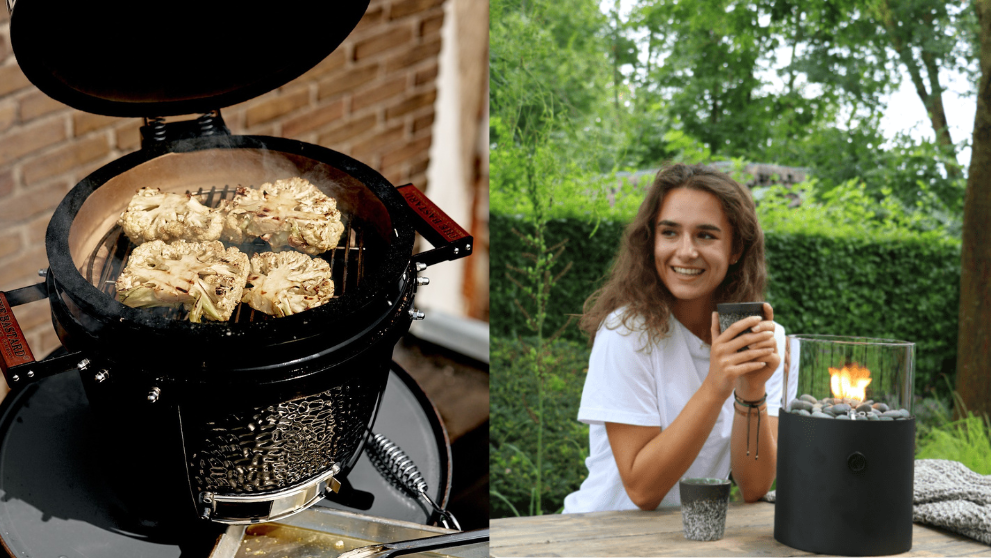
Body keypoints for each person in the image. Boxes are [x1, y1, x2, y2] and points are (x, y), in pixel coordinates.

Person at [562, 163, 794, 513]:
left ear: (736, 250)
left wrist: (751, 390)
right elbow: (642, 490)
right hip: (601, 533)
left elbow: (754, 486)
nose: (685, 251)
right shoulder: (626, 332)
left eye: (706, 235)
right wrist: (718, 385)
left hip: (684, 539)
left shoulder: (763, 339)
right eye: (670, 232)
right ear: (651, 239)